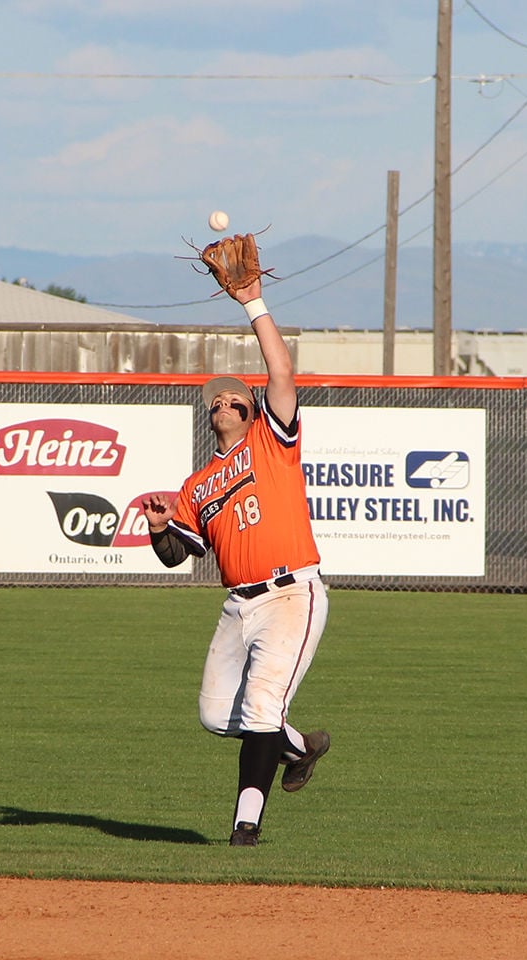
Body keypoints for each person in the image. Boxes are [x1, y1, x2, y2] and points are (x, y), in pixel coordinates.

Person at [142, 269, 329, 847]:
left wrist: (253, 302)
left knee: (263, 702)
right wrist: (157, 529)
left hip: (291, 594)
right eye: (215, 401)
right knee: (215, 712)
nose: (224, 403)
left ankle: (245, 824)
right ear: (210, 417)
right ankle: (297, 746)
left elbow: (281, 371)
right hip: (237, 606)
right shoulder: (195, 486)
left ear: (252, 412)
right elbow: (179, 555)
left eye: (234, 398)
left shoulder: (271, 442)